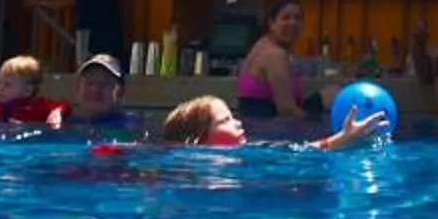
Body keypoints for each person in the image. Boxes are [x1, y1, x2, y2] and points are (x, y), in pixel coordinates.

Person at [156, 94, 382, 151]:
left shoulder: (252, 149)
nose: (238, 123)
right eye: (225, 120)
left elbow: (298, 151)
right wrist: (343, 139)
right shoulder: (196, 162)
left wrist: (342, 139)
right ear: (198, 139)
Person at [236, 0, 320, 122]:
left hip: (255, 124)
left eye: (297, 18)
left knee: (330, 94)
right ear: (272, 24)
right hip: (267, 130)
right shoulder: (276, 55)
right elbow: (286, 109)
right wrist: (316, 122)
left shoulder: (262, 44)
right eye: (285, 18)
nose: (292, 23)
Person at [68, 52, 133, 129]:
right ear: (78, 89)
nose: (95, 90)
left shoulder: (129, 128)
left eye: (104, 84)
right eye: (89, 83)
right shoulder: (68, 124)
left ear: (120, 92)